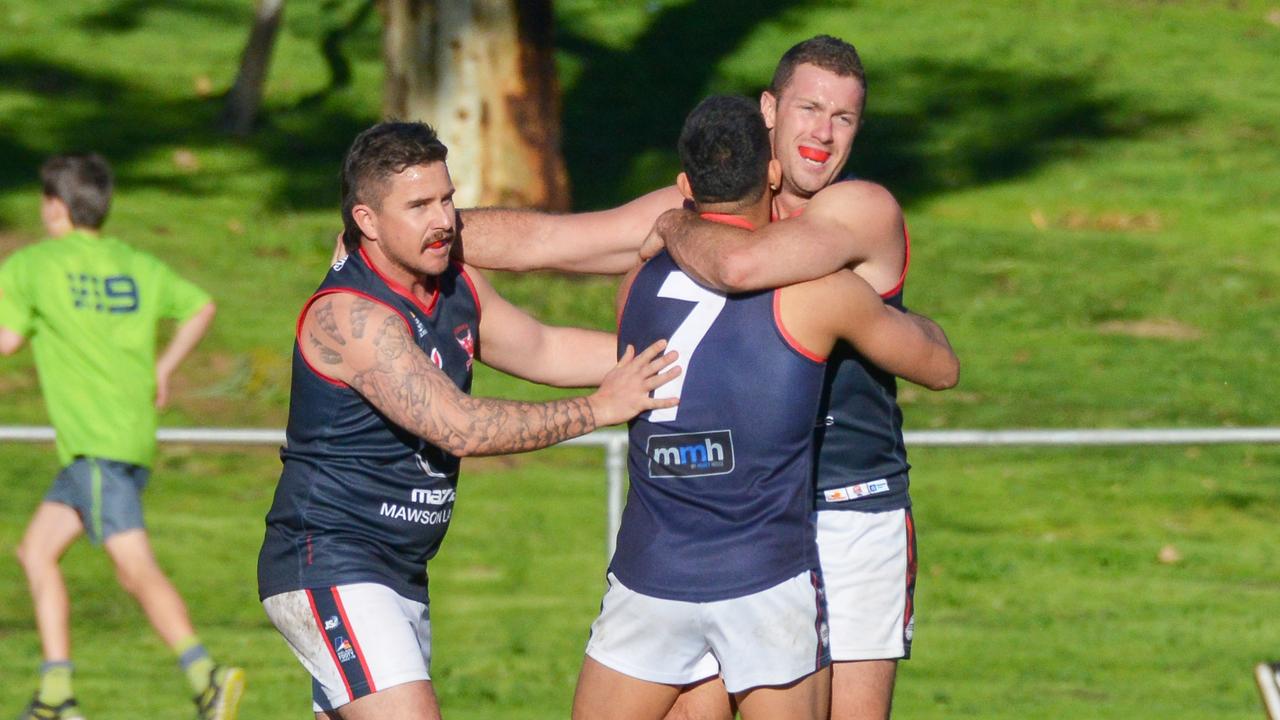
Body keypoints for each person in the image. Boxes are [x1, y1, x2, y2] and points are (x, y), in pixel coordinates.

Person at [455, 35, 945, 720]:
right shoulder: (709, 205)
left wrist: (669, 223)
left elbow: (743, 265)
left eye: (844, 118)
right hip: (734, 522)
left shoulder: (858, 210)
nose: (823, 133)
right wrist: (402, 235)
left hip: (848, 506)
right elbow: (551, 242)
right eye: (809, 108)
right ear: (769, 109)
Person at [256, 121, 680, 720]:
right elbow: (459, 427)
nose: (445, 220)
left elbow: (543, 348)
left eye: (448, 198)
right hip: (329, 560)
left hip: (399, 570)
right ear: (367, 222)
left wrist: (683, 359)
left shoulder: (455, 285)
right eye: (420, 205)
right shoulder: (351, 316)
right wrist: (599, 409)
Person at [570, 95, 957, 720]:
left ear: (685, 186)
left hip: (651, 580)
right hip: (763, 582)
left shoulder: (636, 285)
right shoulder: (819, 292)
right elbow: (940, 367)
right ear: (772, 175)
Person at [0, 154, 240, 720]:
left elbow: (5, 341)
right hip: (126, 438)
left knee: (134, 568)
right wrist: (165, 366)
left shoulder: (32, 265)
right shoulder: (135, 263)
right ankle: (57, 693)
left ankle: (207, 676)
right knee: (35, 551)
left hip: (95, 445)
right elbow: (201, 306)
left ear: (54, 208)